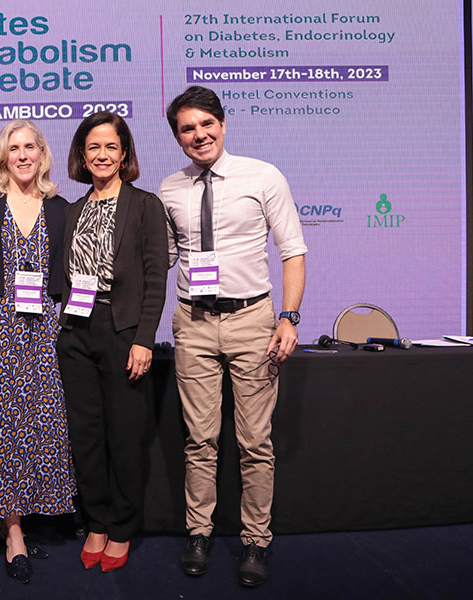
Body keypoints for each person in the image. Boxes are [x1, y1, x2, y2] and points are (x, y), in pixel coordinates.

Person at [158, 86, 307, 588]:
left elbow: (292, 250)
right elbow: (163, 258)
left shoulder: (263, 176)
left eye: (206, 124)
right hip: (193, 322)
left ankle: (255, 540)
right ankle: (198, 534)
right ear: (178, 137)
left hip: (252, 321)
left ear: (222, 124)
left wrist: (289, 317)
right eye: (188, 129)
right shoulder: (169, 189)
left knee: (254, 442)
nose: (199, 135)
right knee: (199, 439)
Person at [0, 120, 76, 584]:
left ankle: (21, 515)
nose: (23, 155)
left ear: (43, 153)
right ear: (3, 156)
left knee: (35, 424)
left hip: (40, 331)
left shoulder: (61, 209)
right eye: (14, 148)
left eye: (31, 146)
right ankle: (12, 532)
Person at [56, 111, 168, 572]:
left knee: (124, 435)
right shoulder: (72, 210)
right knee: (85, 435)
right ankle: (96, 522)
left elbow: (155, 278)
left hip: (123, 331)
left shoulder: (145, 205)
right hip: (76, 332)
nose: (102, 155)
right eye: (93, 148)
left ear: (124, 155)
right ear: (82, 157)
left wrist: (144, 339)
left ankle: (121, 528)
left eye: (111, 147)